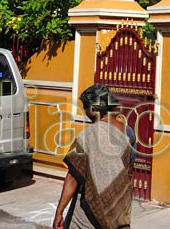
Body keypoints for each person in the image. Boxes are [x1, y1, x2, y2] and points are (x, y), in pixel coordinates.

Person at [53, 84, 135, 229]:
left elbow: (73, 177)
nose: (85, 111)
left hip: (89, 212)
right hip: (119, 209)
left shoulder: (86, 137)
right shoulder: (128, 132)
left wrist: (59, 211)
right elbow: (129, 170)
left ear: (94, 109)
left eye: (85, 107)